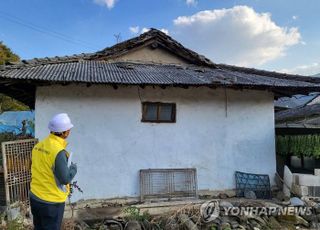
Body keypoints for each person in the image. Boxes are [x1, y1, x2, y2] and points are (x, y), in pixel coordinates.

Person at [30, 113, 77, 230]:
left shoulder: (39, 146)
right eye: (68, 129)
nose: (69, 131)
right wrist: (73, 168)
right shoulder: (58, 151)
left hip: (35, 196)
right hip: (51, 202)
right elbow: (65, 179)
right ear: (64, 132)